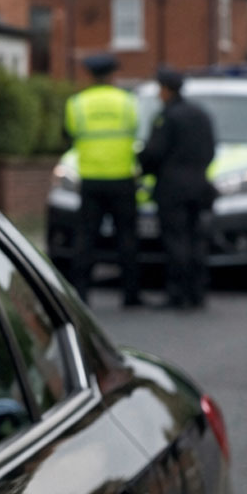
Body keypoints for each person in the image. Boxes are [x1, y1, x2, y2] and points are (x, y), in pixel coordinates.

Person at [65, 54, 143, 306]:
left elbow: (68, 136)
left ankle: (82, 294)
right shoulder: (128, 102)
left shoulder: (77, 103)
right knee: (127, 238)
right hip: (122, 179)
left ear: (90, 75)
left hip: (90, 180)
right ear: (112, 75)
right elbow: (137, 132)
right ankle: (131, 295)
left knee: (86, 239)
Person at [139, 69, 218, 309]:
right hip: (200, 186)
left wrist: (143, 166)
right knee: (196, 239)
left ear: (166, 89)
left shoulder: (167, 117)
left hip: (172, 188)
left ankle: (178, 293)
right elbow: (211, 150)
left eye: (159, 89)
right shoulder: (201, 114)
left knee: (176, 240)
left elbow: (154, 153)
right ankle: (198, 292)